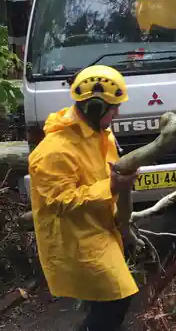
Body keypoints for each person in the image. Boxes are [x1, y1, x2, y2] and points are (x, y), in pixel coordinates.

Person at [28, 64, 139, 331]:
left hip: (101, 227)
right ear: (95, 108)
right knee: (117, 298)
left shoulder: (100, 135)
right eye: (113, 108)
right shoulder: (54, 151)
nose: (117, 113)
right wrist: (111, 187)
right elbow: (60, 201)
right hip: (76, 238)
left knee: (104, 301)